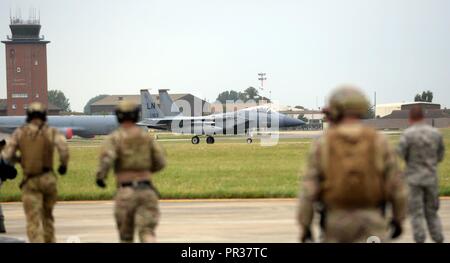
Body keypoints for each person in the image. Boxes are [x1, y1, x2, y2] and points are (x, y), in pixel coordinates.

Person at [297, 85, 407, 243]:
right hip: (372, 224)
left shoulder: (323, 144)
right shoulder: (379, 141)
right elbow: (397, 187)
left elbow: (308, 191)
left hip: (336, 226)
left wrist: (305, 227)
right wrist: (398, 219)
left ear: (335, 108)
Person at [95, 101, 166, 243]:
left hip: (125, 192)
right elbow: (160, 162)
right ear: (136, 116)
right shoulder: (147, 138)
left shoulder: (114, 138)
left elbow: (106, 160)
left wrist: (101, 177)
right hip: (147, 191)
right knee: (147, 232)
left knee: (126, 237)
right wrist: (144, 171)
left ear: (119, 116)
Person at [1, 102, 69, 243]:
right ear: (44, 116)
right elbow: (63, 149)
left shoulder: (20, 132)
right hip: (48, 179)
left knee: (33, 221)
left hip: (30, 181)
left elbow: (7, 155)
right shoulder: (51, 131)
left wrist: (20, 160)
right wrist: (63, 165)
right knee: (47, 218)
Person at [398, 106, 445, 243]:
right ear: (423, 117)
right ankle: (438, 239)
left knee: (416, 213)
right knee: (432, 213)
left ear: (410, 118)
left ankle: (420, 240)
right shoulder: (436, 134)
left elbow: (401, 154)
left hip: (414, 180)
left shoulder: (407, 135)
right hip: (431, 178)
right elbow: (440, 156)